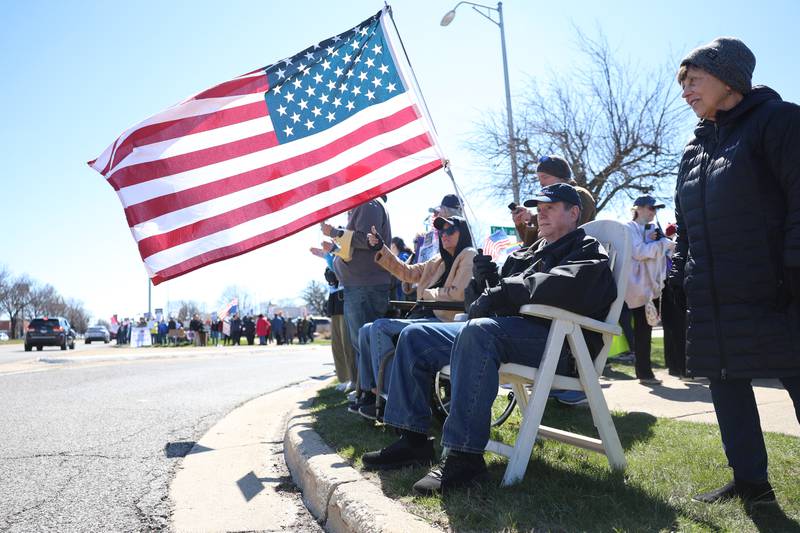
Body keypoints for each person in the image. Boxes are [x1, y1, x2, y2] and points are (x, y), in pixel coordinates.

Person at [361, 184, 617, 494]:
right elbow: (482, 301)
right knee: (415, 335)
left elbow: (569, 286)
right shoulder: (529, 252)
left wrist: (504, 290)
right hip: (510, 333)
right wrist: (484, 281)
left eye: (551, 206)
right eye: (540, 207)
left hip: (559, 344)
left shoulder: (587, 249)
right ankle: (413, 439)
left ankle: (464, 457)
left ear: (574, 213)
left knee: (478, 332)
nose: (541, 212)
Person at [671, 37, 800, 506]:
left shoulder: (781, 121)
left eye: (694, 80)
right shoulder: (694, 146)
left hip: (775, 288)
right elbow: (685, 222)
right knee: (726, 383)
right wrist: (681, 275)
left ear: (730, 79)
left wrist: (793, 268)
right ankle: (751, 482)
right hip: (713, 294)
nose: (685, 91)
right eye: (683, 83)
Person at [350, 216, 476, 420]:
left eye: (450, 231)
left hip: (447, 321)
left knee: (380, 327)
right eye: (441, 232)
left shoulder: (468, 255)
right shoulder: (438, 261)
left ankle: (395, 401)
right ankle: (370, 393)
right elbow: (406, 273)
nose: (444, 235)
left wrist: (428, 294)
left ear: (463, 232)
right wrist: (382, 248)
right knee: (366, 329)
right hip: (425, 316)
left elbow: (458, 294)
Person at [321, 197, 392, 393]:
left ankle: (373, 392)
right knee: (362, 342)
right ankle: (367, 390)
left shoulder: (368, 204)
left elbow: (367, 240)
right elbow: (353, 248)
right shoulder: (364, 205)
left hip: (366, 285)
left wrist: (334, 232)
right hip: (360, 285)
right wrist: (335, 247)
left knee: (366, 342)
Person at [624, 195, 675, 385]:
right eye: (651, 208)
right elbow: (638, 252)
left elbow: (665, 251)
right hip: (635, 287)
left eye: (655, 209)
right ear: (639, 208)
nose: (654, 212)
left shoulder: (654, 228)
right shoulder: (629, 228)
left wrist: (660, 241)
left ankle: (644, 372)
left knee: (645, 330)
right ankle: (644, 373)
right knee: (639, 330)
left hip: (651, 287)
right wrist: (659, 244)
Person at [512, 155, 596, 247]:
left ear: (561, 177)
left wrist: (533, 220)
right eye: (539, 210)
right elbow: (530, 247)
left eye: (544, 177)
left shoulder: (579, 193)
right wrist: (522, 224)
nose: (541, 183)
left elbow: (558, 237)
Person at [659, 223, 687, 377]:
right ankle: (679, 367)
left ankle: (674, 366)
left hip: (668, 287)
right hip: (670, 288)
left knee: (671, 329)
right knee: (676, 329)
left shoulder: (666, 248)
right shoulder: (668, 248)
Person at [389, 236, 414, 301]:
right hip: (402, 293)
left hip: (403, 293)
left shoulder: (402, 256)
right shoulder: (403, 255)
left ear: (393, 245)